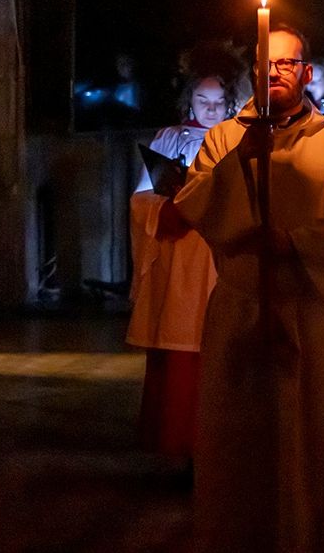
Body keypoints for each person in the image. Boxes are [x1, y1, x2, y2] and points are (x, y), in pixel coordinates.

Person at [175, 24, 324, 552]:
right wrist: (240, 160)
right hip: (241, 307)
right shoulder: (224, 138)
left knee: (309, 440)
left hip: (305, 309)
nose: (275, 73)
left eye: (287, 64)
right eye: (266, 64)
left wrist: (294, 243)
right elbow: (193, 203)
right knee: (240, 441)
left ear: (307, 73)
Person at [127, 73, 236, 463]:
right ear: (189, 100)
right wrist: (168, 209)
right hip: (178, 265)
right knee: (179, 355)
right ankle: (178, 446)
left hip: (219, 261)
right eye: (202, 100)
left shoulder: (239, 139)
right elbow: (141, 198)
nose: (210, 109)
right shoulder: (171, 138)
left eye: (219, 101)